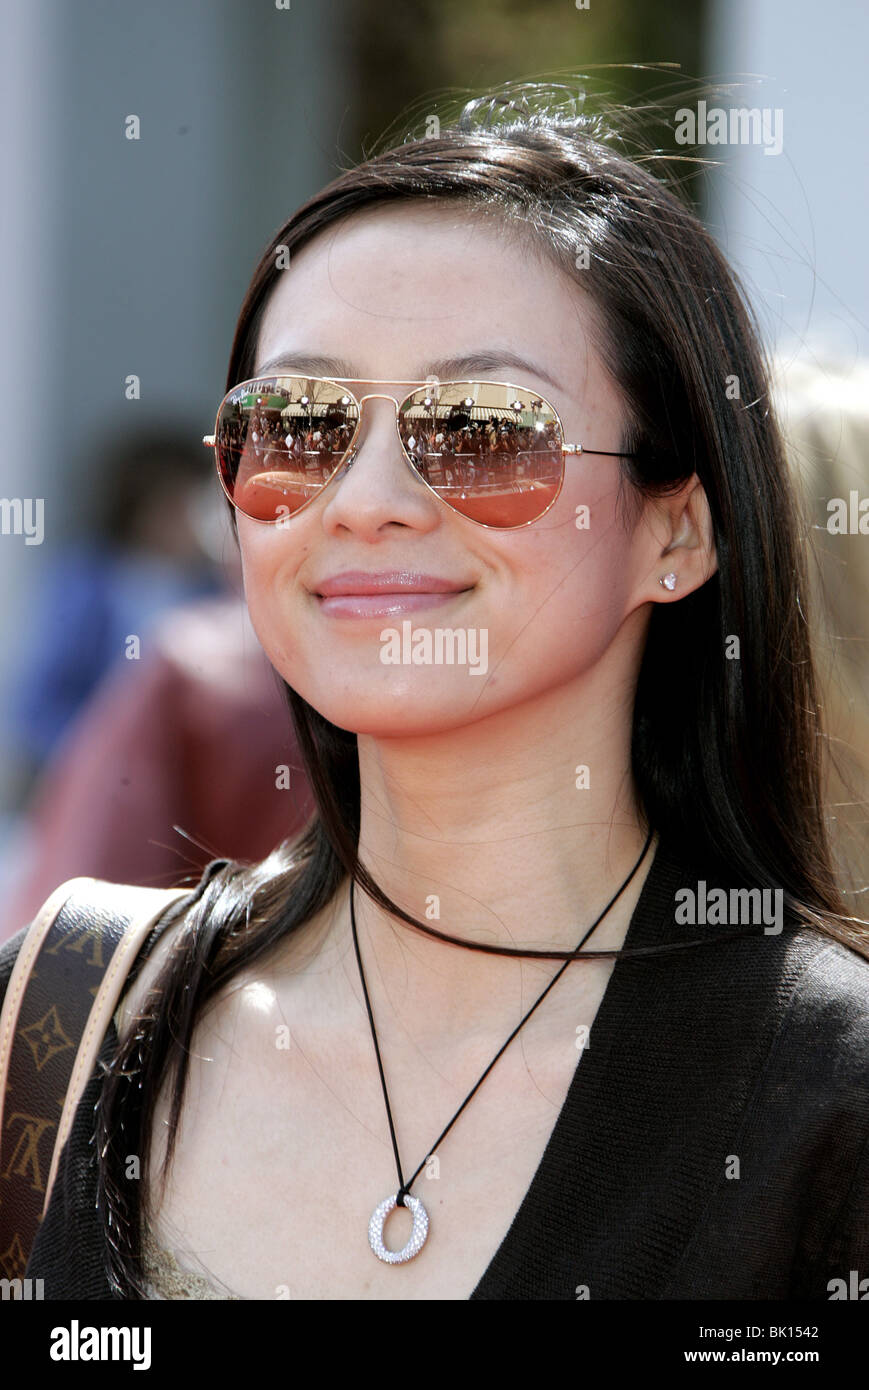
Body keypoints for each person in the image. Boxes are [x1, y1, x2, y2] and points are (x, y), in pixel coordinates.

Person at [2, 82, 867, 1302]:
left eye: (477, 425)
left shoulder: (827, 1103)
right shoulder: (56, 1021)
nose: (365, 498)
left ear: (673, 531)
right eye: (296, 424)